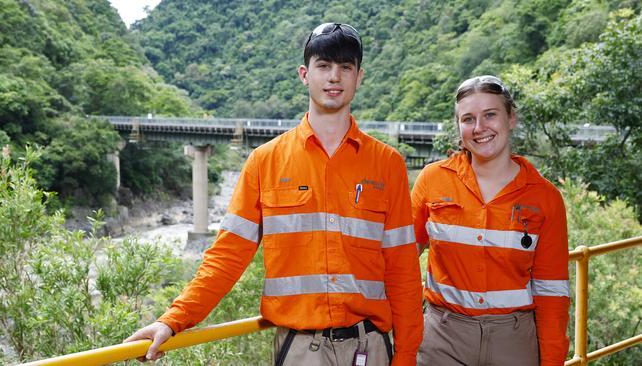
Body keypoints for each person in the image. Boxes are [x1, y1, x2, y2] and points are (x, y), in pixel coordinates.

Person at [125, 22, 424, 366]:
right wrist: (173, 320)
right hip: (299, 349)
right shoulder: (264, 161)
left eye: (345, 67)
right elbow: (227, 255)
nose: (334, 77)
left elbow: (402, 270)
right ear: (304, 74)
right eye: (323, 66)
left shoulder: (387, 164)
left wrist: (405, 356)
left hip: (370, 346)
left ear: (359, 77)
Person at [411, 75, 570, 366]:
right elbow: (400, 261)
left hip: (514, 342)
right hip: (442, 339)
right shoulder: (431, 181)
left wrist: (552, 360)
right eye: (468, 119)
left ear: (511, 118)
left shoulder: (545, 198)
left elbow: (552, 293)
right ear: (459, 127)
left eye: (490, 115)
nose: (479, 128)